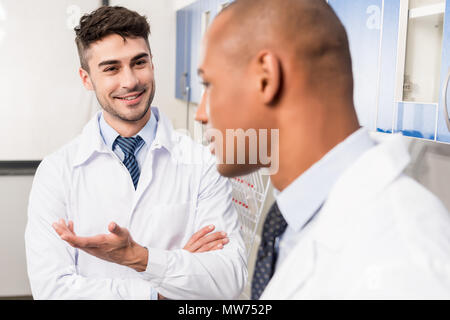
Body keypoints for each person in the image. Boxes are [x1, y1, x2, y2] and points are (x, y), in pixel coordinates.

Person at [195, 0, 450, 299]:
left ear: (266, 77)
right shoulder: (295, 220)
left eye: (209, 84)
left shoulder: (401, 264)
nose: (201, 113)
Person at [25, 5, 247, 300]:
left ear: (152, 64)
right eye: (111, 68)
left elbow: (227, 280)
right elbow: (52, 291)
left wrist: (139, 257)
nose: (130, 81)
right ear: (86, 78)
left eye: (139, 63)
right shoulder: (57, 172)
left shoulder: (203, 164)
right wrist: (161, 289)